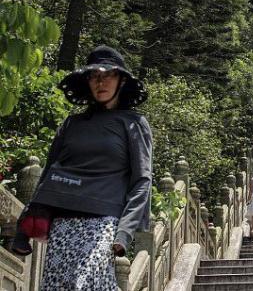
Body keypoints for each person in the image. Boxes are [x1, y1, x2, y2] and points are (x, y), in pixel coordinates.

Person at [14, 45, 152, 291]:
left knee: (84, 281)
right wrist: (24, 227)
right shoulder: (72, 124)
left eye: (108, 74)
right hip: (63, 222)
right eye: (94, 75)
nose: (100, 81)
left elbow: (142, 181)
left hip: (103, 220)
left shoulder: (134, 124)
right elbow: (49, 175)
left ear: (121, 80)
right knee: (59, 286)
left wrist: (125, 232)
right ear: (87, 81)